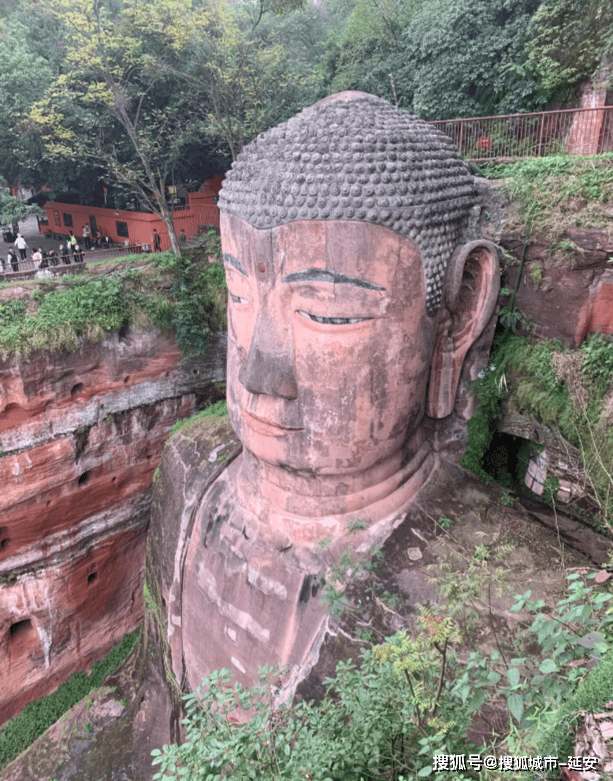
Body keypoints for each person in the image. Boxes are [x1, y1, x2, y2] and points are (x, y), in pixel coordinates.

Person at [154, 92, 500, 699]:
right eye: (238, 294)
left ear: (461, 311)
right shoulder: (191, 476)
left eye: (327, 313)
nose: (260, 374)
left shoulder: (476, 625)